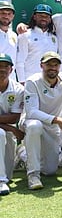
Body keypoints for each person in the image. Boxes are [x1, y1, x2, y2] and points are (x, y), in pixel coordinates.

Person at [22, 51, 62, 190]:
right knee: (35, 126)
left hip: (51, 126)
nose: (52, 68)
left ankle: (23, 153)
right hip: (30, 121)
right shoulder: (32, 81)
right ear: (41, 66)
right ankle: (33, 175)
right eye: (48, 65)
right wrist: (59, 120)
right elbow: (32, 111)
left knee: (50, 170)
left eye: (55, 65)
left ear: (59, 67)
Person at [0, 54, 24, 195]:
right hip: (6, 130)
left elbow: (15, 117)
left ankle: (20, 154)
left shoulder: (18, 90)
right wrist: (11, 129)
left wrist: (11, 128)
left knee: (10, 176)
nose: (2, 69)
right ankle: (1, 181)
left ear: (11, 69)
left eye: (5, 66)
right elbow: (10, 122)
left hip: (9, 130)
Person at [16, 4, 57, 83]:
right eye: (40, 15)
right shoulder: (25, 35)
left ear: (50, 19)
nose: (43, 18)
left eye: (46, 16)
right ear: (34, 17)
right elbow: (20, 61)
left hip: (48, 81)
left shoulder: (54, 38)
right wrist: (22, 81)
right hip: (30, 79)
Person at [0, 1, 17, 76]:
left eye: (9, 14)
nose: (6, 16)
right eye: (3, 13)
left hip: (10, 79)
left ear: (13, 16)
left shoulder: (14, 35)